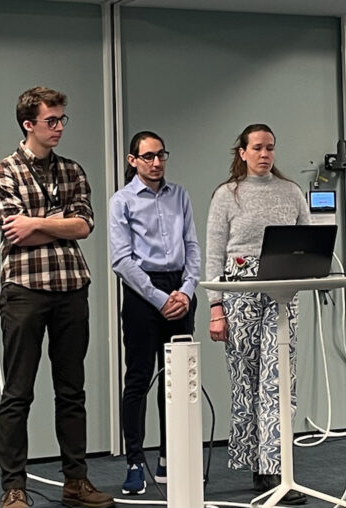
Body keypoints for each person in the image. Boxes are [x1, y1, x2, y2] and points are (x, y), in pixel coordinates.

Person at [0, 86, 114, 508]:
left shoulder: (73, 170)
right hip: (24, 290)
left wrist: (38, 222)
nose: (59, 127)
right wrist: (57, 220)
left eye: (62, 120)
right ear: (29, 124)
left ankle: (76, 483)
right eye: (51, 121)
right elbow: (14, 231)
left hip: (71, 288)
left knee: (71, 390)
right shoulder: (4, 171)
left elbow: (84, 225)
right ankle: (14, 488)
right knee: (18, 393)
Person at [206, 124, 311, 505]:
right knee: (247, 377)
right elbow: (214, 253)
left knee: (278, 377)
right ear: (243, 153)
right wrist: (216, 307)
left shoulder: (291, 192)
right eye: (257, 148)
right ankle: (254, 461)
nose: (265, 154)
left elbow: (308, 240)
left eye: (270, 148)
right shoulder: (227, 195)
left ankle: (276, 467)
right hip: (240, 290)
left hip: (282, 288)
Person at [109, 131, 200, 494]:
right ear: (133, 160)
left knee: (176, 380)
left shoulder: (180, 195)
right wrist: (158, 298)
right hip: (141, 292)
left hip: (179, 288)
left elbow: (192, 245)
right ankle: (134, 460)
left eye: (161, 155)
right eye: (148, 156)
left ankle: (169, 456)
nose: (156, 162)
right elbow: (121, 260)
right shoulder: (122, 201)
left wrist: (187, 292)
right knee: (139, 378)